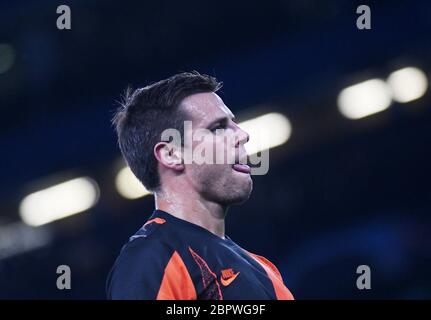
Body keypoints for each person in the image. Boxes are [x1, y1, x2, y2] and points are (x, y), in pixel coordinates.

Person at [107, 71, 294, 300]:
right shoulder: (152, 258)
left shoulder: (264, 269)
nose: (242, 135)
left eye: (233, 124)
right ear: (172, 154)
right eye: (217, 128)